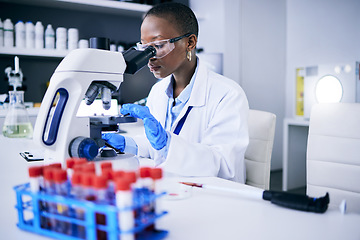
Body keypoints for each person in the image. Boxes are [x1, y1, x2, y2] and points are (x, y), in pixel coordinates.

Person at [103, 2, 249, 183]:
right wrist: (129, 144)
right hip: (171, 189)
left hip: (211, 196)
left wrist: (168, 143)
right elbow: (156, 149)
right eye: (144, 48)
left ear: (190, 42)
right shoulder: (158, 91)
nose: (149, 57)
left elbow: (224, 166)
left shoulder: (228, 95)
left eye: (158, 45)